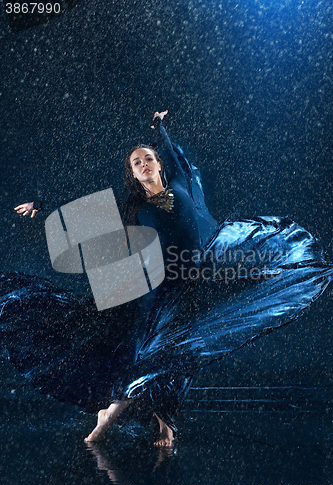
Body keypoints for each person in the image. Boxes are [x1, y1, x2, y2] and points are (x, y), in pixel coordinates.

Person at [9, 111, 333, 447]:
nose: (144, 164)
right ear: (133, 174)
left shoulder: (179, 183)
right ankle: (118, 415)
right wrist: (43, 206)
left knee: (185, 353)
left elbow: (177, 155)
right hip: (166, 290)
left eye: (148, 158)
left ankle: (159, 422)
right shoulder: (134, 208)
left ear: (159, 164)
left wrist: (159, 128)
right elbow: (88, 217)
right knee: (158, 353)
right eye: (137, 163)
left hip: (204, 274)